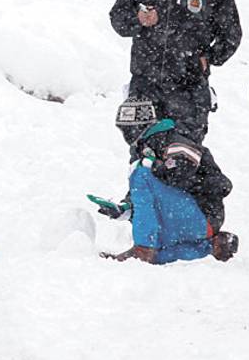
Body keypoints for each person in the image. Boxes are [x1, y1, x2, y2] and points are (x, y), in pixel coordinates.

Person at [109, 0, 242, 141]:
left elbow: (231, 34)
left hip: (189, 90)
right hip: (144, 87)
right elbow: (117, 19)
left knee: (183, 159)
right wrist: (138, 19)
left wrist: (207, 58)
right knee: (143, 157)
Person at [94, 101, 238, 264]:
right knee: (159, 249)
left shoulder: (173, 140)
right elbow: (153, 190)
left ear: (139, 126)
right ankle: (209, 247)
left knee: (140, 173)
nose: (126, 135)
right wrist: (125, 208)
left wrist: (155, 166)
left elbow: (183, 174)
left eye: (127, 128)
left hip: (201, 215)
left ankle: (143, 248)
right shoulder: (149, 146)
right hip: (197, 222)